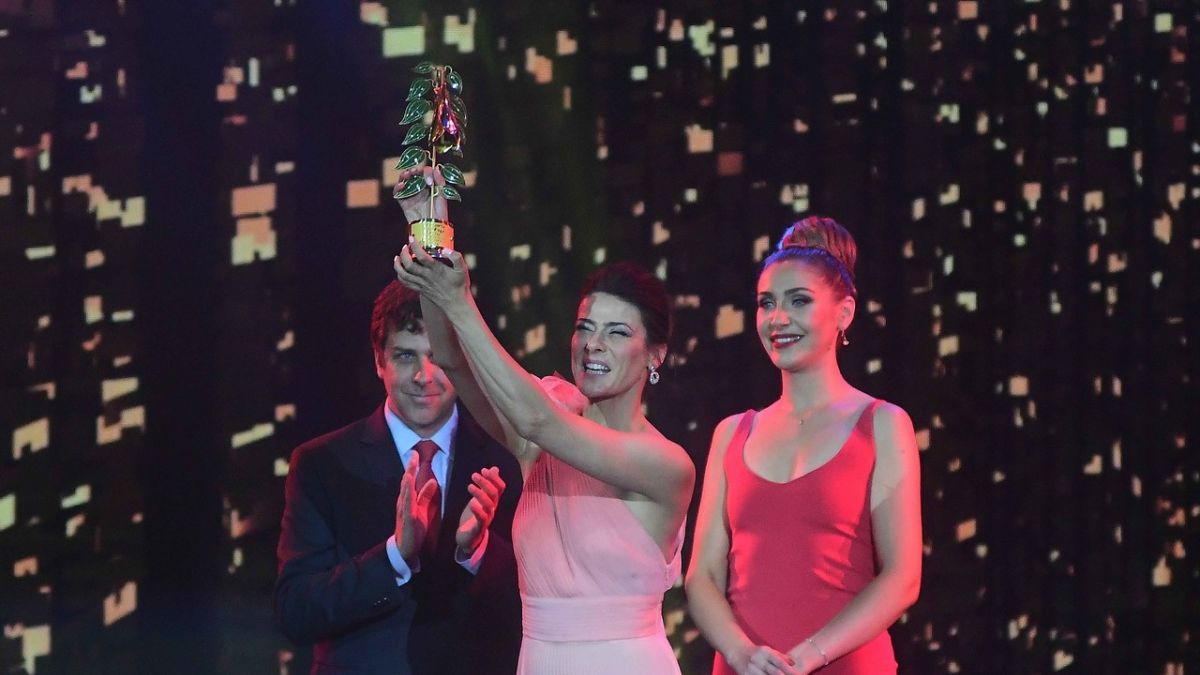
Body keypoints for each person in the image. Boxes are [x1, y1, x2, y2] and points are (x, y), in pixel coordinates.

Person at [391, 165, 695, 674]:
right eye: (585, 328)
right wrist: (432, 236)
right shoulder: (545, 414)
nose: (593, 344)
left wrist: (460, 299)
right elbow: (451, 359)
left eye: (617, 333)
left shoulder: (665, 464)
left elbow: (540, 424)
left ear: (655, 355)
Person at [685, 216, 922, 675]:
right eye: (766, 303)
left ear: (844, 313)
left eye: (799, 301)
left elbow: (903, 578)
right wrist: (741, 653)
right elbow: (703, 576)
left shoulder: (882, 424)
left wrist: (806, 657)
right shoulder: (732, 433)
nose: (778, 318)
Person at [274, 280, 523, 674]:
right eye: (406, 356)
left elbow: (538, 608)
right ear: (379, 361)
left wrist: (479, 552)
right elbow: (296, 612)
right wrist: (394, 557)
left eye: (438, 356)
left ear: (463, 360)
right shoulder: (321, 465)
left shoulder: (507, 460)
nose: (424, 376)